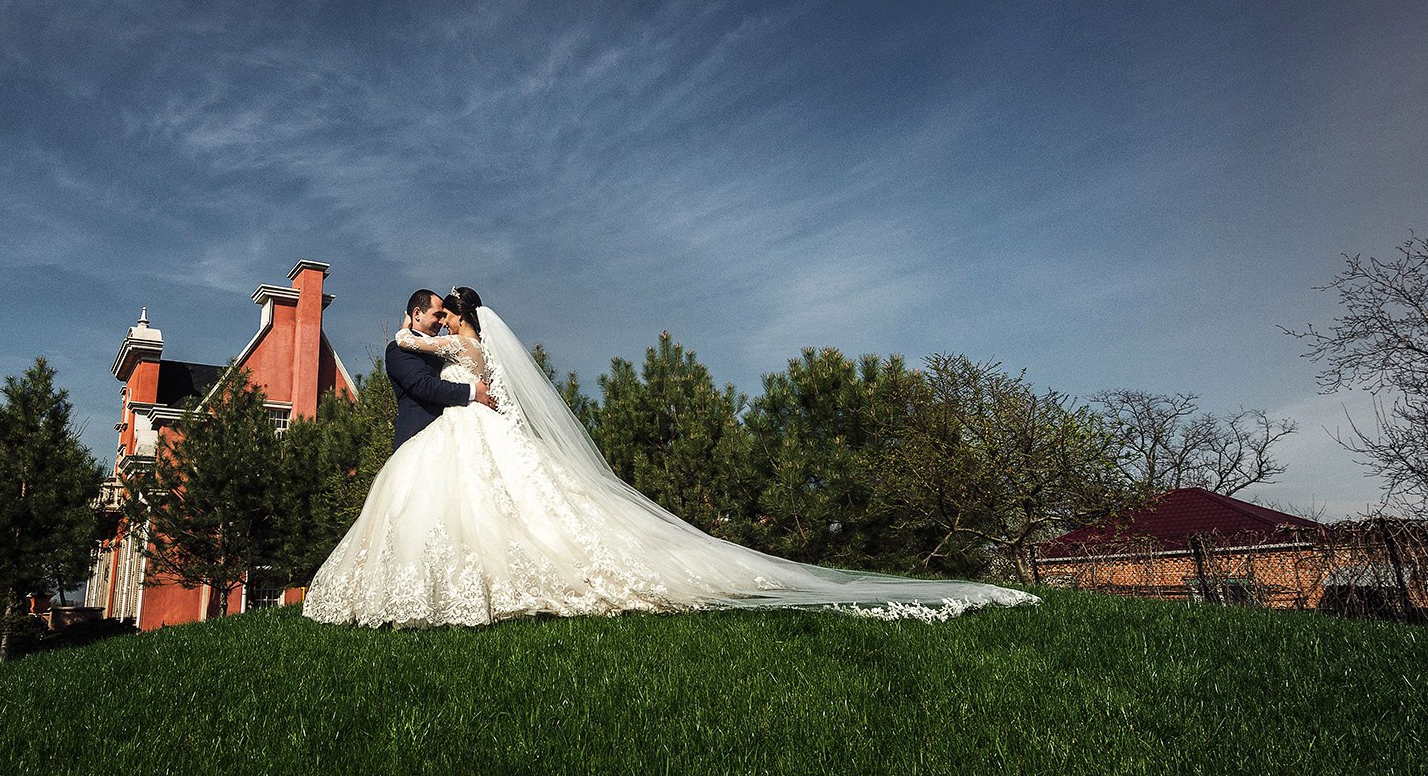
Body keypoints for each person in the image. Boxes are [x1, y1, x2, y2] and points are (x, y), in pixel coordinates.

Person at [301, 286, 1039, 629]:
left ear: (456, 316)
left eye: (445, 313)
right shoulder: (440, 346)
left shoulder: (451, 343)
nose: (440, 321)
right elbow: (420, 371)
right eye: (433, 313)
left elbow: (436, 364)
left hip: (469, 435)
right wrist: (432, 359)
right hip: (442, 444)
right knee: (481, 512)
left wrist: (434, 355)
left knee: (505, 511)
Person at [386, 289, 495, 451]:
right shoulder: (398, 349)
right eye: (438, 315)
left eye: (445, 315)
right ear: (417, 314)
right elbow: (422, 385)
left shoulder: (449, 346)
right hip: (418, 441)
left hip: (462, 436)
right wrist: (473, 391)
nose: (442, 322)